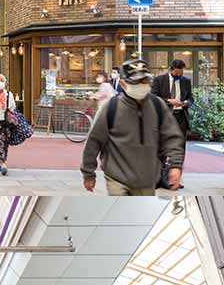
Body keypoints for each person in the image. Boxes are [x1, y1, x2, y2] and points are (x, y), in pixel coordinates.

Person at [82, 58, 184, 195]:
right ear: (123, 84)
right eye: (136, 81)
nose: (141, 85)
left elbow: (173, 137)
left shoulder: (157, 105)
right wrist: (88, 173)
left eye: (145, 80)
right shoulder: (111, 108)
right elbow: (94, 141)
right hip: (117, 178)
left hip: (148, 180)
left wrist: (176, 166)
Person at [153, 58, 194, 140]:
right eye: (177, 72)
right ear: (171, 69)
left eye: (182, 72)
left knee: (181, 142)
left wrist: (186, 102)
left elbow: (190, 97)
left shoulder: (186, 81)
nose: (180, 74)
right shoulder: (159, 80)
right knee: (165, 142)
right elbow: (154, 96)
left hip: (181, 116)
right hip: (165, 115)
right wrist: (168, 101)